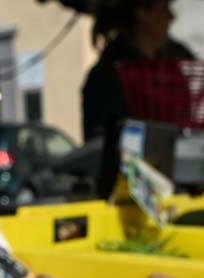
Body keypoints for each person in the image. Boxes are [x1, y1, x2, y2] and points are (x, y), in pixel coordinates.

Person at [81, 0, 195, 198]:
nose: (171, 17)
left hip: (178, 191)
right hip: (128, 198)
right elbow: (101, 146)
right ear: (143, 13)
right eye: (164, 8)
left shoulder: (177, 59)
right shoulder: (109, 74)